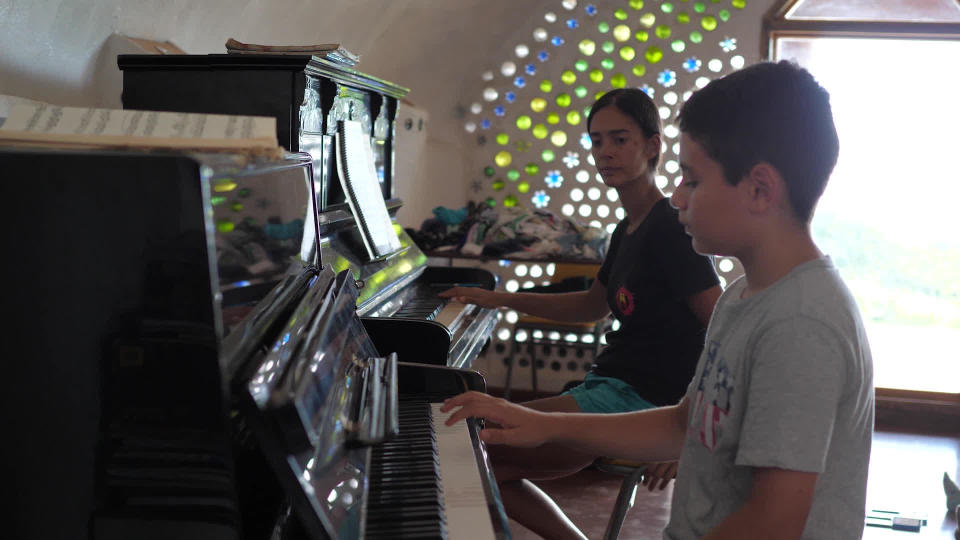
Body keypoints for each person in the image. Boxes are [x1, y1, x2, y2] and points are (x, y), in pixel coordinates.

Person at [442, 60, 875, 540]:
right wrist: (539, 422)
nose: (678, 196)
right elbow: (680, 423)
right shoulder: (742, 298)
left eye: (692, 179)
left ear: (759, 189)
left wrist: (553, 422)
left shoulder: (800, 324)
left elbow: (774, 523)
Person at [439, 88, 722, 540]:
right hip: (608, 386)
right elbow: (590, 307)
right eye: (596, 141)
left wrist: (687, 430)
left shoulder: (670, 225)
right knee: (470, 455)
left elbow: (722, 326)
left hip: (640, 402)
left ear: (653, 147)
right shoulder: (626, 229)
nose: (604, 152)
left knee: (468, 453)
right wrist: (501, 299)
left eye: (619, 139)